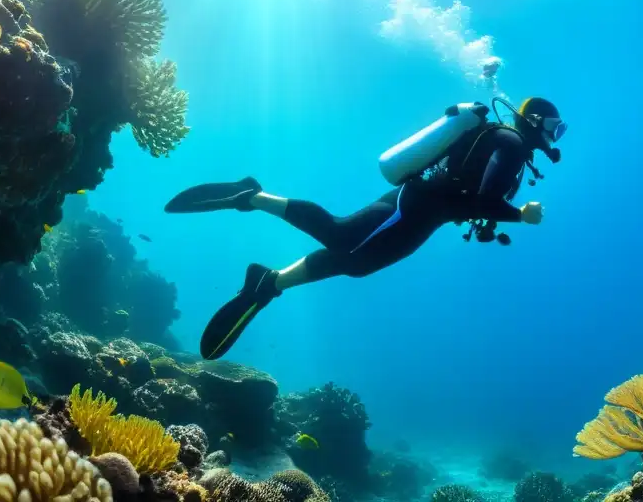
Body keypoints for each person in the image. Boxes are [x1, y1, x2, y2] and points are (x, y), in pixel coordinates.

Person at [165, 96, 567, 360]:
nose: (555, 136)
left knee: (356, 264)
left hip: (420, 211)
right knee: (341, 237)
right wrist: (521, 216)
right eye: (555, 127)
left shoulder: (504, 142)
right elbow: (482, 201)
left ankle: (268, 284)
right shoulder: (512, 145)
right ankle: (251, 195)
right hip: (413, 209)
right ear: (535, 122)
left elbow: (472, 195)